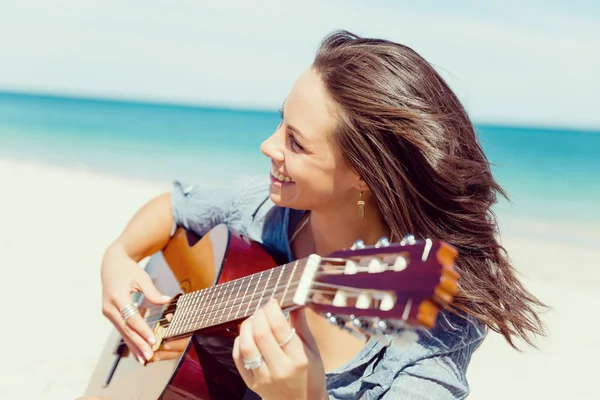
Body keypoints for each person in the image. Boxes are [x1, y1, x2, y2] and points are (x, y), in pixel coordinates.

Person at [99, 30, 545, 399]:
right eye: (280, 122)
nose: (267, 146)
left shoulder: (435, 329)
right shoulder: (265, 210)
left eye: (296, 141)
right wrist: (118, 258)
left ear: (364, 175)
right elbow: (175, 206)